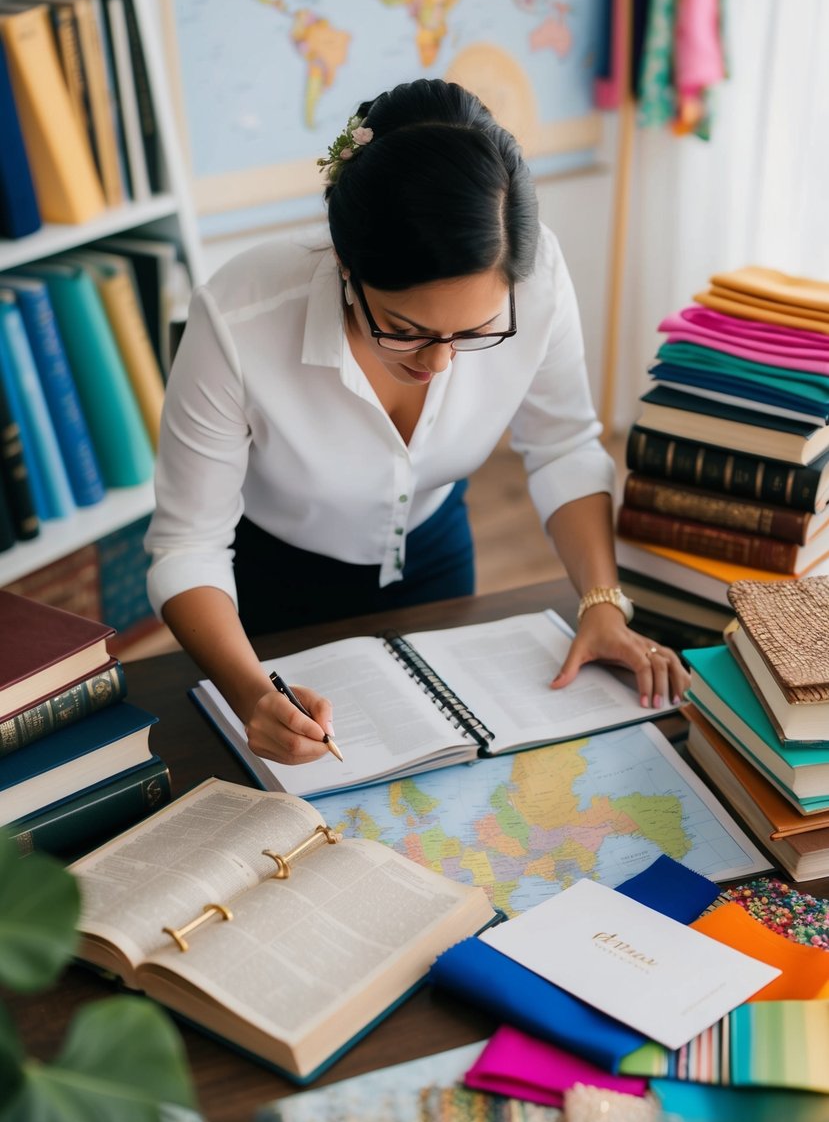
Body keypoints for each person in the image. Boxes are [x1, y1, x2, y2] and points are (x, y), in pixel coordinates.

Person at [145, 78, 689, 768]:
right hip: (271, 587)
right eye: (403, 329)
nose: (438, 362)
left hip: (436, 553)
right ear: (346, 264)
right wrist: (253, 693)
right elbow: (187, 545)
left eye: (474, 332)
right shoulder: (240, 316)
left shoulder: (534, 274)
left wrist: (602, 603)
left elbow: (562, 444)